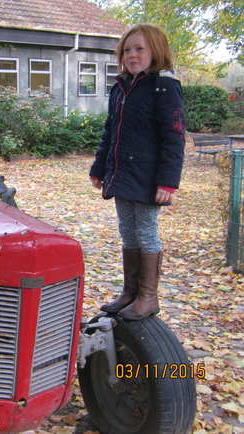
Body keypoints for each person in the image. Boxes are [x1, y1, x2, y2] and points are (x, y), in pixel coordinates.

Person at [89, 23, 186, 321]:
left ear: (156, 51)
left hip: (148, 178)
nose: (132, 55)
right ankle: (130, 292)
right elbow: (110, 132)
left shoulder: (164, 87)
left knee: (146, 232)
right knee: (127, 232)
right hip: (121, 174)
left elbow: (175, 137)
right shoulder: (120, 89)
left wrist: (168, 182)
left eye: (139, 48)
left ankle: (148, 296)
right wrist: (99, 167)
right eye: (127, 50)